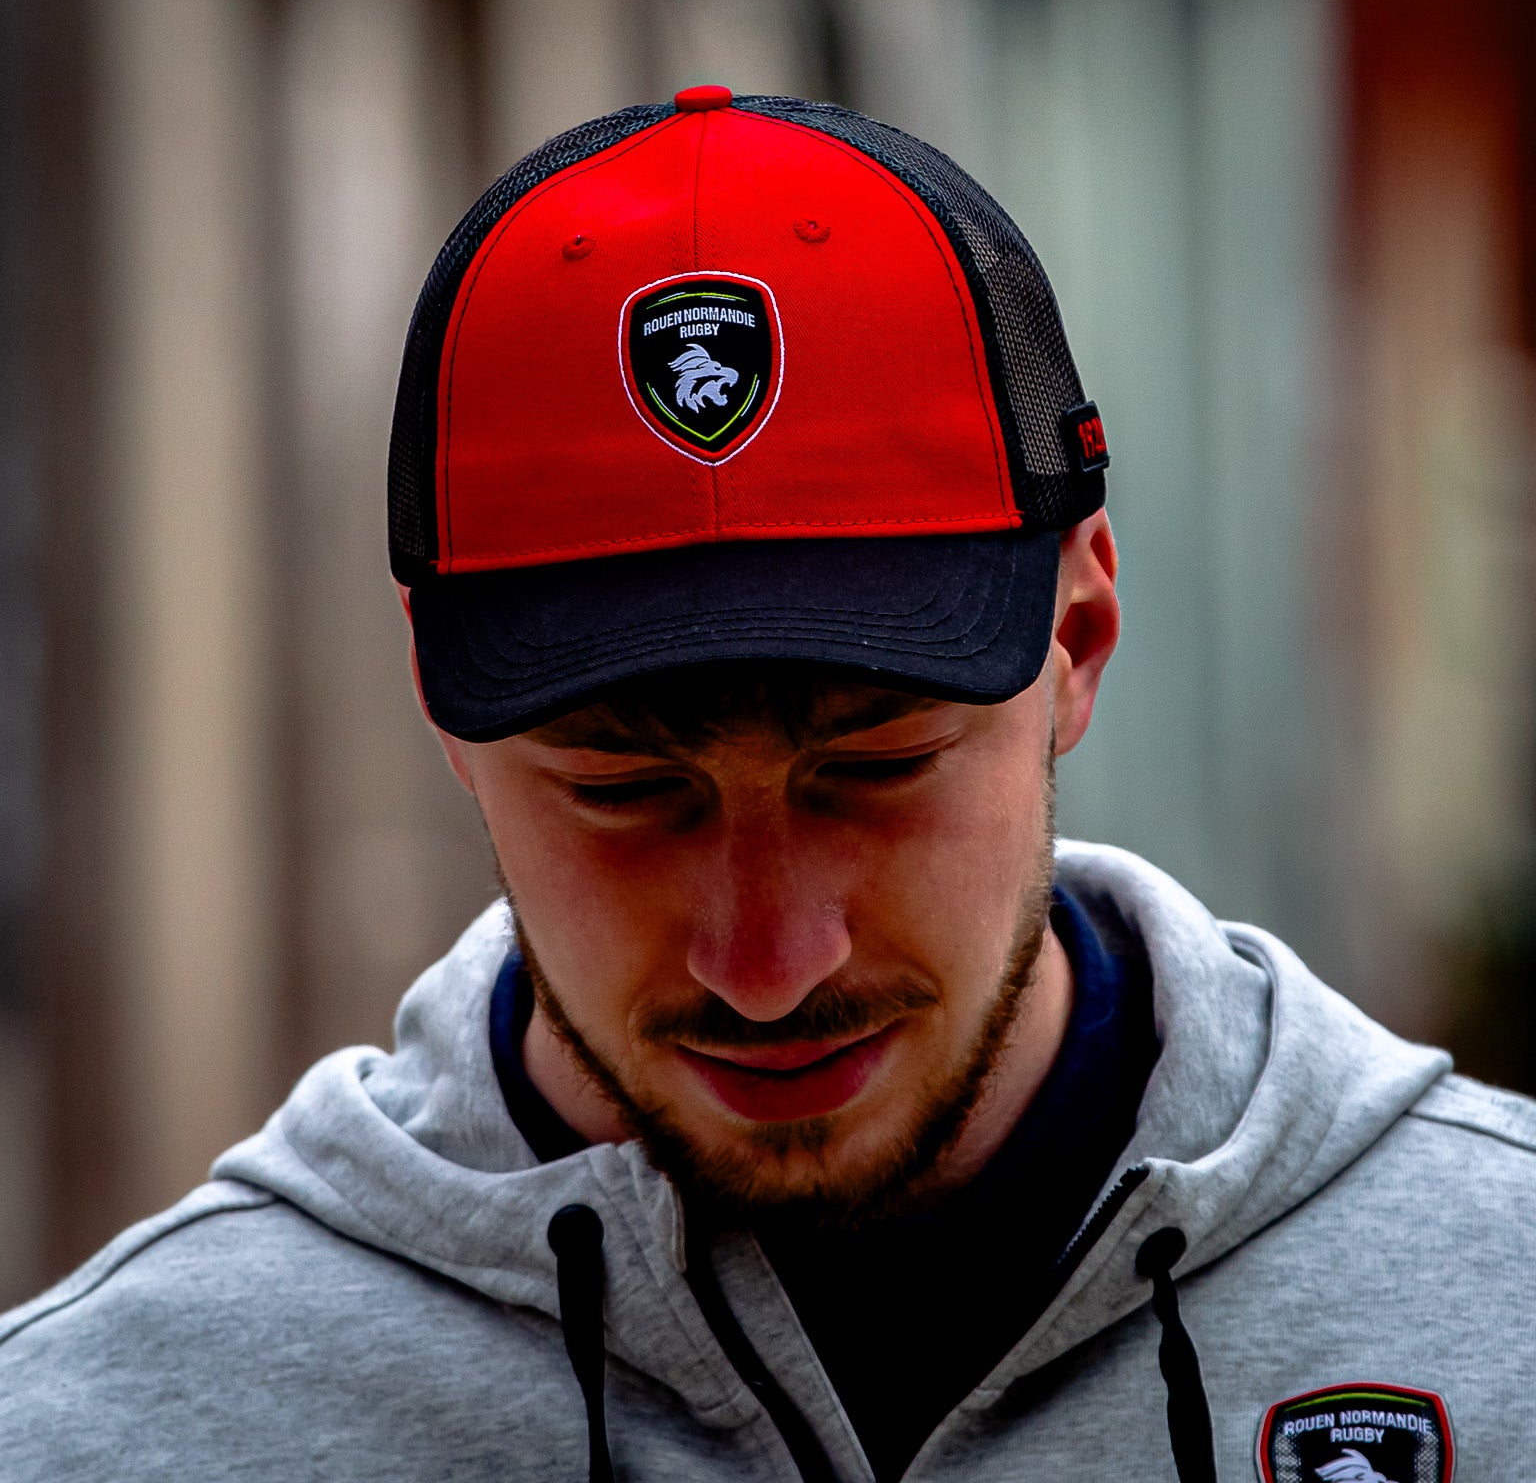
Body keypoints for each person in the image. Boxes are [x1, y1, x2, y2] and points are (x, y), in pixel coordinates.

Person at [2, 87, 1532, 1483]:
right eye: (624, 791)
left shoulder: (1500, 1324)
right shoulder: (106, 1431)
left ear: (1076, 639)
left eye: (872, 771)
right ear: (442, 709)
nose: (766, 965)